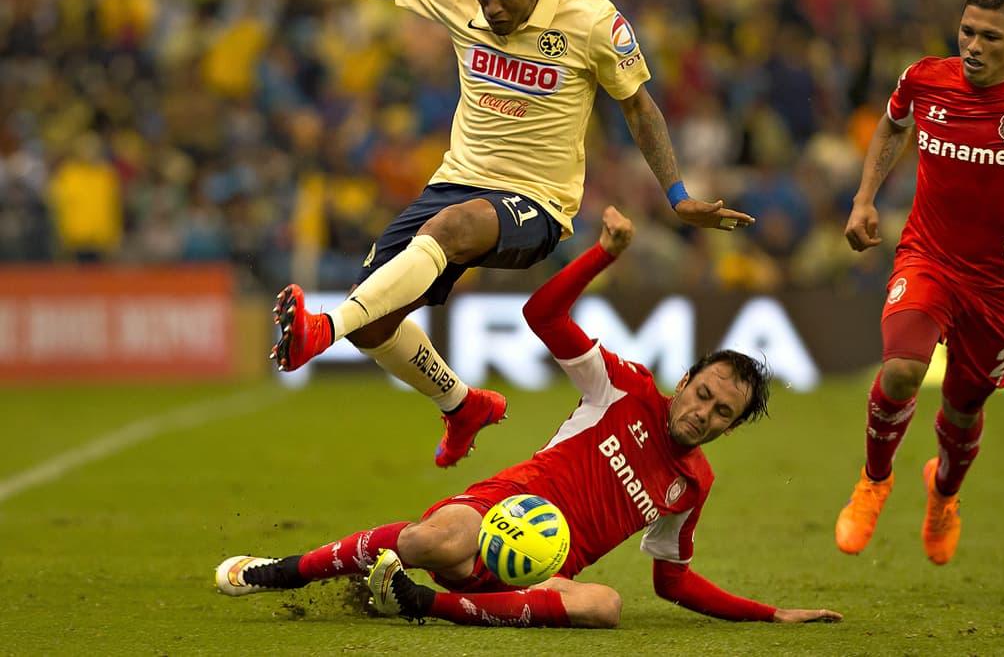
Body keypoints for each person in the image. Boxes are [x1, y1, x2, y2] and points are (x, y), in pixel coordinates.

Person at [211, 0, 754, 467]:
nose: (491, 7)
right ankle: (461, 404)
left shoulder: (592, 20)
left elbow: (639, 106)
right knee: (374, 324)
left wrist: (677, 194)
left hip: (537, 203)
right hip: (454, 182)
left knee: (441, 235)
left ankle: (321, 328)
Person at [215, 207, 841, 629]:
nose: (704, 414)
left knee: (606, 606)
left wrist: (770, 615)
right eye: (703, 394)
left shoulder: (693, 485)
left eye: (722, 413)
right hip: (492, 517)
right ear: (684, 382)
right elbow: (543, 315)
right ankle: (282, 572)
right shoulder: (623, 389)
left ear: (729, 428)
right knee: (438, 539)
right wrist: (601, 254)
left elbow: (672, 583)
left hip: (542, 574)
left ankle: (426, 603)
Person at [834, 0, 1004, 564]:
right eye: (967, 31)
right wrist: (864, 199)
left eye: (990, 36)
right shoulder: (923, 78)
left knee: (963, 407)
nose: (973, 46)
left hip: (998, 283)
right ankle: (874, 481)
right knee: (904, 369)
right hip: (927, 257)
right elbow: (891, 126)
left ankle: (943, 493)